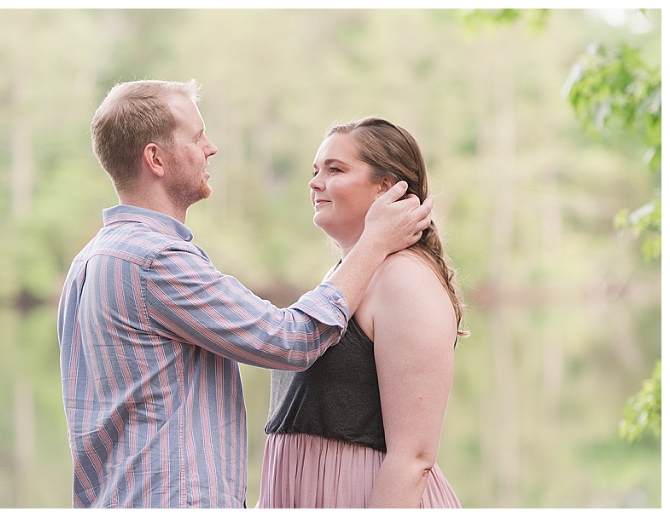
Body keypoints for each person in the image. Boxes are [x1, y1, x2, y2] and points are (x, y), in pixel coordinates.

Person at [57, 80, 434, 508]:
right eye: (197, 137)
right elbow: (290, 339)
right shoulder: (155, 260)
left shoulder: (90, 262)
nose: (211, 147)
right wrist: (374, 242)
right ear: (156, 159)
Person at [258, 117, 467, 508]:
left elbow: (414, 458)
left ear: (386, 188)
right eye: (315, 170)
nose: (315, 182)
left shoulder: (405, 278)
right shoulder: (341, 280)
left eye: (334, 169)